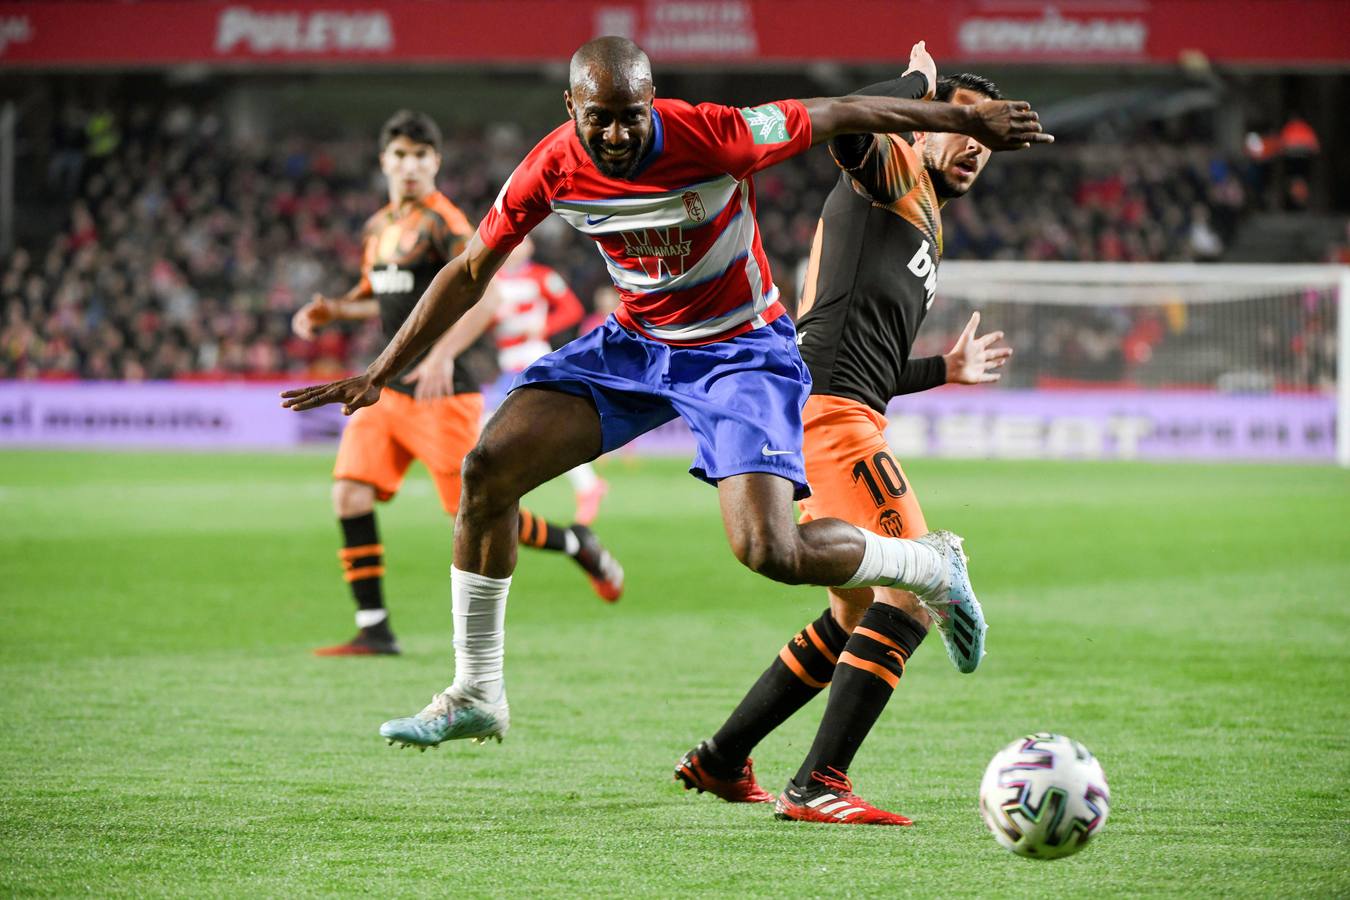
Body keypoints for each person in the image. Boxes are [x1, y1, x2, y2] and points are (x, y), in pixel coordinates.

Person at [281, 37, 1049, 749]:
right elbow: (470, 271)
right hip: (638, 343)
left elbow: (841, 113)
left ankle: (927, 567)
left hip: (739, 350)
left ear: (654, 104)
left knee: (770, 552)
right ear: (570, 109)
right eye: (600, 121)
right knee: (488, 471)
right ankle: (477, 690)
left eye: (632, 118)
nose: (617, 136)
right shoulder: (551, 166)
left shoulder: (714, 133)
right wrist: (382, 369)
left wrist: (953, 114)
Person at [677, 48, 1018, 825]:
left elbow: (867, 359)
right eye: (959, 127)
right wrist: (917, 89)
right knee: (914, 591)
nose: (972, 146)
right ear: (922, 127)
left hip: (834, 407)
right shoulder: (890, 161)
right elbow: (839, 121)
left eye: (984, 141)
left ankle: (721, 761)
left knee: (853, 614)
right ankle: (817, 783)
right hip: (832, 419)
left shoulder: (922, 211)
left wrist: (945, 369)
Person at [291, 110, 624, 657]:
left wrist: (444, 353)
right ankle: (374, 628)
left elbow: (485, 293)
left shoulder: (446, 224)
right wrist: (335, 311)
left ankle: (574, 542)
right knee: (348, 491)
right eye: (400, 155)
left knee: (474, 510)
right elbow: (385, 295)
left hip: (441, 394)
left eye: (421, 156)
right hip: (388, 387)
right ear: (384, 162)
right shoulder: (379, 228)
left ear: (436, 163)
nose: (410, 166)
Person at [490, 236, 609, 524]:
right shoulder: (493, 281)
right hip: (507, 360)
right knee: (530, 431)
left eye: (523, 242)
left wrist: (544, 326)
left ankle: (498, 492)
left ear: (530, 247)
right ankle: (587, 485)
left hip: (531, 358)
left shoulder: (542, 276)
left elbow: (572, 309)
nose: (518, 246)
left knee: (490, 425)